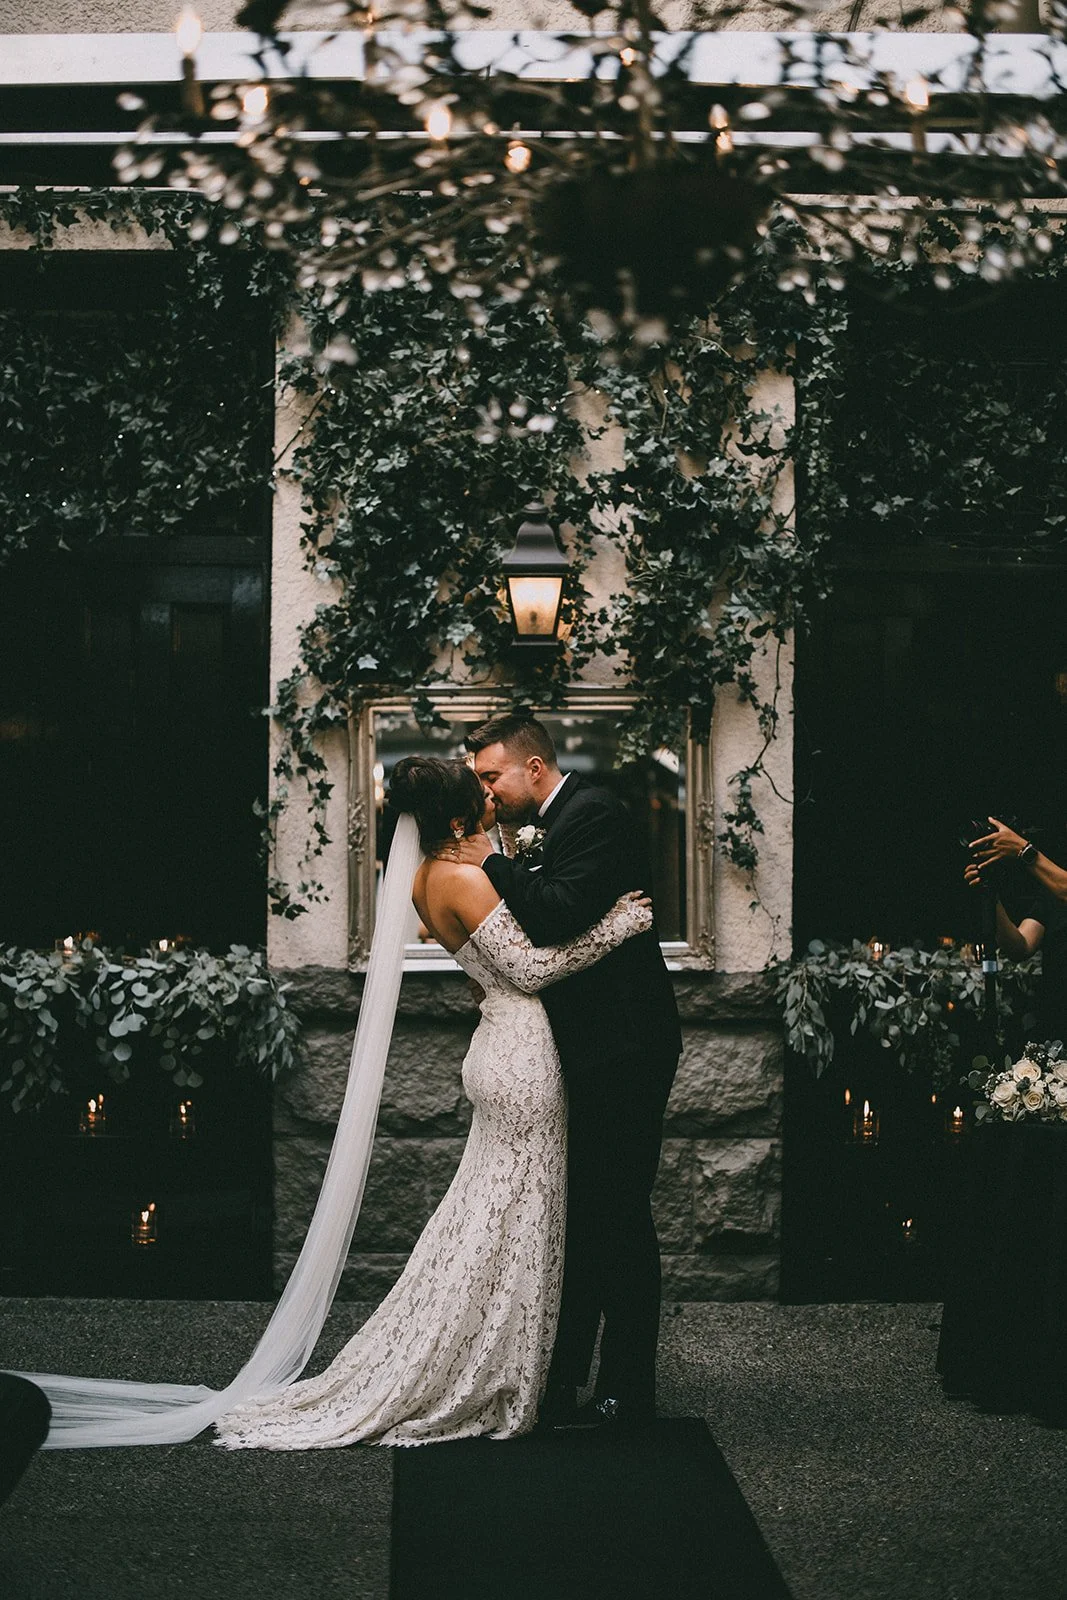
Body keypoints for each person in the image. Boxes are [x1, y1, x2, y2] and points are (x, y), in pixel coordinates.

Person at [22, 757, 652, 1450]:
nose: (489, 801)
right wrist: (615, 926)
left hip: (497, 1044)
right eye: (478, 796)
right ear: (452, 818)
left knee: (495, 1208)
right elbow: (529, 968)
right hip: (521, 1053)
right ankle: (480, 1362)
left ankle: (489, 1352)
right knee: (514, 1209)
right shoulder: (465, 879)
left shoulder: (423, 878)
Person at [449, 711, 682, 1428]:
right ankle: (561, 1376)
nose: (486, 791)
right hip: (578, 1046)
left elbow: (551, 916)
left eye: (492, 775)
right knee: (581, 1216)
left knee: (617, 1214)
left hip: (623, 1046)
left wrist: (490, 861)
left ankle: (627, 1386)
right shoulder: (554, 821)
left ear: (534, 768)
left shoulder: (595, 815)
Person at [966, 815, 1067, 1043]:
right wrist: (989, 896)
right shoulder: (1054, 886)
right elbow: (1020, 946)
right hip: (1059, 1022)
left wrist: (1023, 850)